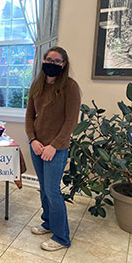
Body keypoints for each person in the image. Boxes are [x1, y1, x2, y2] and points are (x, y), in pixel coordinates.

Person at [25, 46, 81, 251]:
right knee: (44, 188)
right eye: (48, 59)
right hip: (37, 146)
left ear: (64, 64)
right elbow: (29, 116)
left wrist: (54, 146)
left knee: (52, 190)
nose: (52, 63)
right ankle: (48, 223)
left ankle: (61, 237)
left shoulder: (70, 87)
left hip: (56, 148)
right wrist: (32, 140)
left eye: (57, 61)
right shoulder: (37, 85)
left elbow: (71, 121)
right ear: (43, 61)